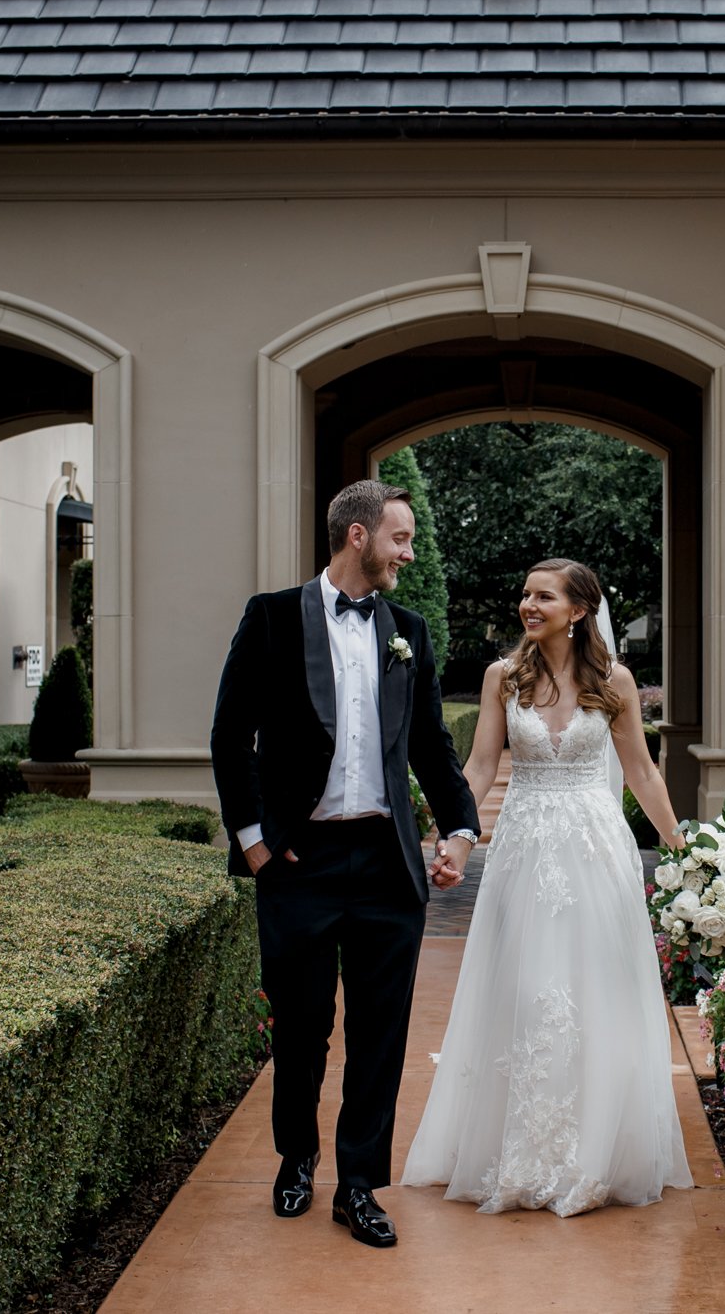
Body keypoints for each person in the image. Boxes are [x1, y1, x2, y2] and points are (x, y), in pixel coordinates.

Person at [210, 479, 479, 1249]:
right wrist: (256, 843)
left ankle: (358, 1183)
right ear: (357, 536)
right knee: (301, 1027)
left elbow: (430, 742)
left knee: (381, 1033)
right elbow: (231, 735)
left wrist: (459, 825)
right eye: (401, 538)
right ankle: (298, 1156)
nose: (409, 553)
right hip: (300, 859)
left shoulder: (409, 631)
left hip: (387, 863)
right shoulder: (270, 617)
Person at [401, 557, 695, 1216]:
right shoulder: (503, 678)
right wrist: (452, 838)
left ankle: (594, 1153)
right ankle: (523, 1149)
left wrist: (684, 850)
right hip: (525, 854)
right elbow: (477, 766)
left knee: (595, 992)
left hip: (596, 855)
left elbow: (642, 774)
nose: (528, 605)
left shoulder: (612, 679)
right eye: (525, 593)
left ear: (580, 608)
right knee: (528, 990)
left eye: (544, 595)